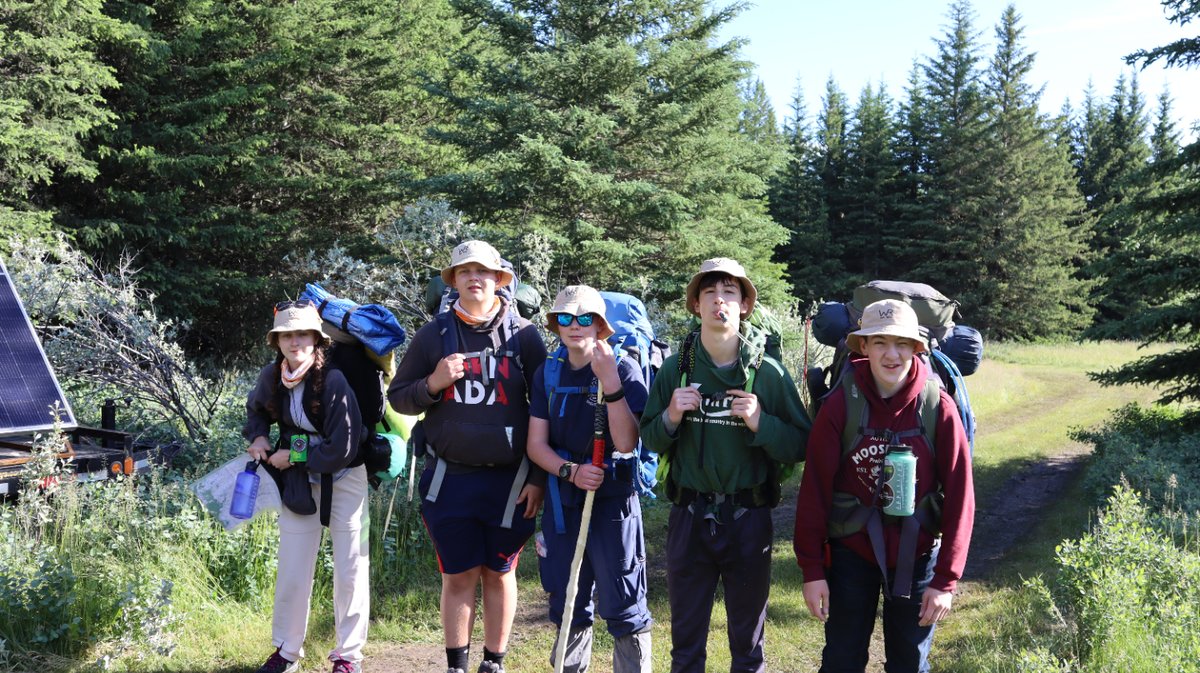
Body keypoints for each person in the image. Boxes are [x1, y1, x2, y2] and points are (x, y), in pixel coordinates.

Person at [640, 258, 811, 673]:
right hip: (689, 517)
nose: (720, 301)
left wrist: (761, 422)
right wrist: (670, 418)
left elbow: (802, 444)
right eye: (710, 293)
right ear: (695, 305)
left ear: (745, 306)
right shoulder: (675, 368)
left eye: (730, 293)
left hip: (748, 518)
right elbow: (648, 437)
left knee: (747, 646)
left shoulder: (766, 373)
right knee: (685, 645)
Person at [388, 240, 548, 673]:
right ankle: (456, 665)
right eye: (464, 272)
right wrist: (433, 383)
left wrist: (537, 476)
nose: (474, 278)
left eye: (483, 272)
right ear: (453, 280)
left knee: (499, 572)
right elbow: (399, 398)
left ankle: (494, 662)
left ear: (499, 280)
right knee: (458, 574)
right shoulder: (434, 335)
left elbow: (545, 409)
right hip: (449, 477)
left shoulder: (525, 336)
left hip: (511, 482)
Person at [793, 299, 975, 673]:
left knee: (909, 662)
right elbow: (814, 490)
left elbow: (961, 496)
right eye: (879, 342)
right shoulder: (842, 404)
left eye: (902, 344)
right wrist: (812, 570)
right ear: (863, 347)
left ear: (915, 349)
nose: (891, 354)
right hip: (850, 551)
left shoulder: (937, 407)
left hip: (919, 551)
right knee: (842, 658)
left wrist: (945, 581)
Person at [527, 285, 653, 673]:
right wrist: (571, 472)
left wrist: (609, 381)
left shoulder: (625, 369)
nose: (575, 325)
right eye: (565, 318)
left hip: (613, 498)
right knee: (568, 600)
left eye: (585, 319)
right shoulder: (548, 372)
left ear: (600, 325)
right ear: (555, 325)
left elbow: (628, 440)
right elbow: (536, 444)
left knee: (624, 601)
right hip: (565, 498)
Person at [244, 300, 369, 673]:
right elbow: (256, 412)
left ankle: (348, 657)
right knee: (293, 567)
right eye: (287, 334)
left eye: (302, 334)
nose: (294, 341)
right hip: (299, 476)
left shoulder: (333, 381)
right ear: (277, 341)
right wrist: (259, 438)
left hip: (346, 476)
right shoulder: (273, 376)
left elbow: (342, 448)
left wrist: (292, 457)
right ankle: (286, 651)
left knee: (350, 568)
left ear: (317, 339)